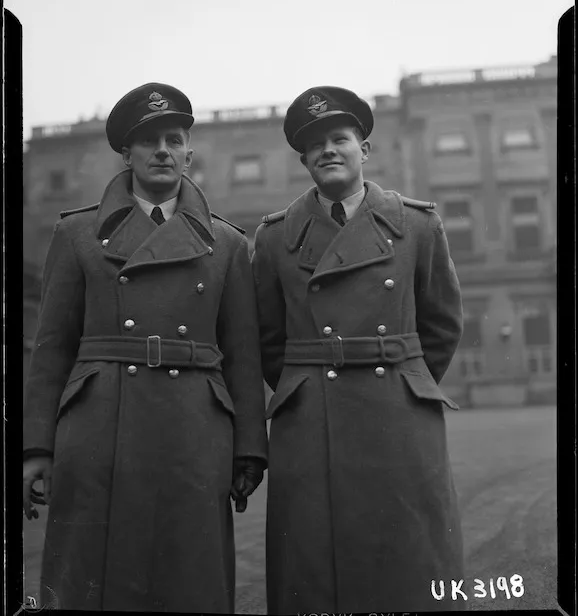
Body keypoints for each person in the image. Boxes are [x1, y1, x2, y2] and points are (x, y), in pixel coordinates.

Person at [23, 82, 268, 612]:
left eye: (174, 139)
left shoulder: (226, 243)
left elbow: (244, 356)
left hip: (195, 429)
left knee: (190, 574)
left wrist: (249, 447)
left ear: (188, 153)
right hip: (98, 425)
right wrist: (37, 448)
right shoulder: (77, 234)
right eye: (150, 140)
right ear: (127, 152)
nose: (163, 150)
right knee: (92, 571)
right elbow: (51, 350)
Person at [252, 86, 464, 613]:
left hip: (398, 410)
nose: (328, 150)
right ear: (303, 159)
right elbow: (267, 338)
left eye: (339, 138)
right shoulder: (275, 239)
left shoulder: (417, 224)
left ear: (363, 150)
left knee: (411, 550)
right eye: (315, 144)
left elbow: (441, 324)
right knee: (313, 560)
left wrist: (397, 375)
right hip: (311, 421)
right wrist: (312, 383)